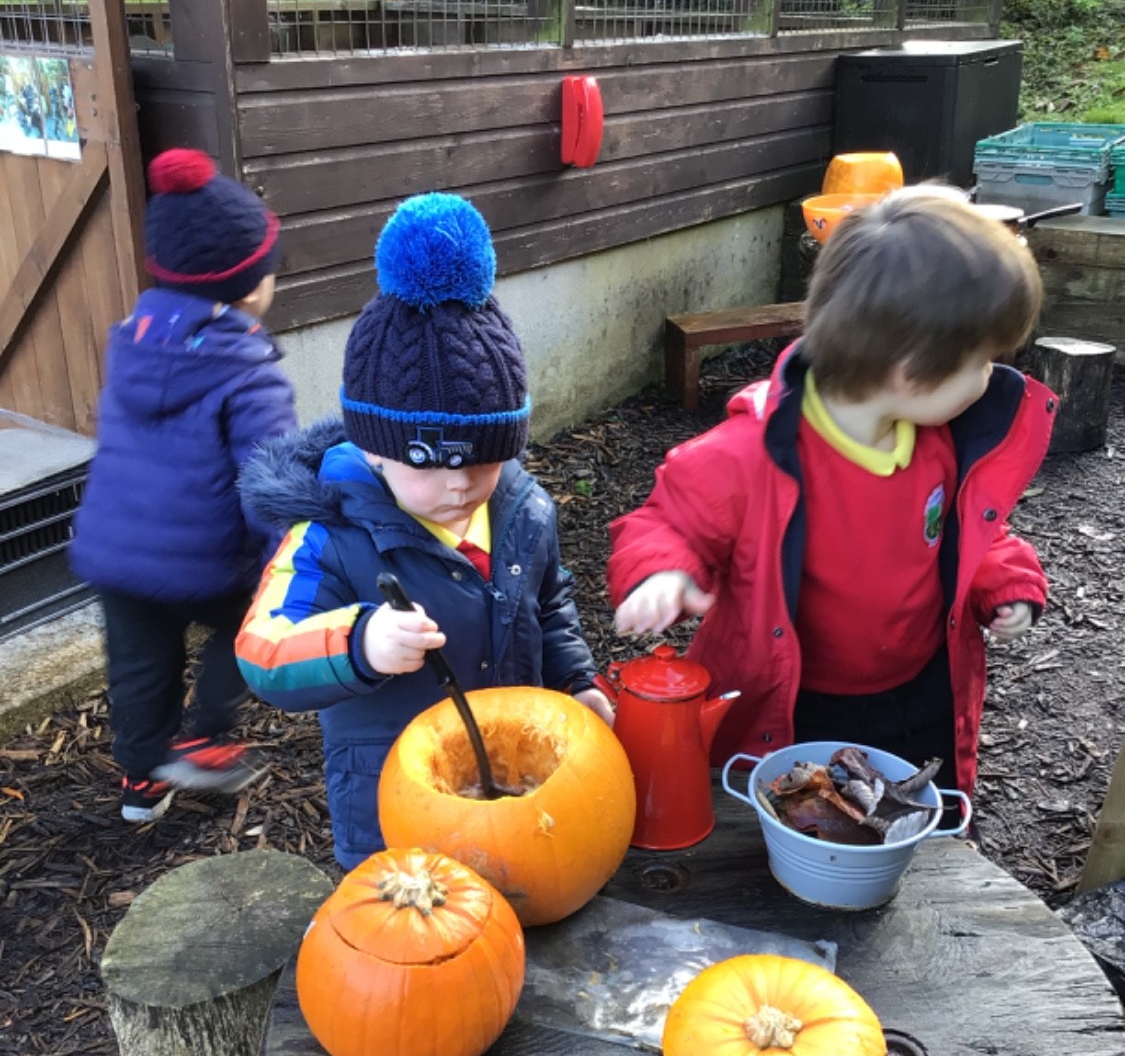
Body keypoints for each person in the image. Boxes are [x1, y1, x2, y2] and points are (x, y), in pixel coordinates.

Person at [609, 188, 1055, 805]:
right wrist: (663, 573)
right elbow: (668, 523)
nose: (991, 378)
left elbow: (975, 534)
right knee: (794, 813)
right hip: (793, 703)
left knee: (909, 810)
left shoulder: (938, 442)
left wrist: (1005, 583)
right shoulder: (751, 453)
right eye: (980, 362)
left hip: (917, 692)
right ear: (910, 370)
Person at [235, 192, 613, 870]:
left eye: (484, 460)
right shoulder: (330, 535)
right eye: (429, 465)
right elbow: (263, 653)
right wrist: (359, 643)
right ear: (374, 450)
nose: (459, 484)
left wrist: (576, 681)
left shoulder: (524, 512)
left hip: (518, 794)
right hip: (395, 809)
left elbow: (550, 605)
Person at [70, 148, 297, 823]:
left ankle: (142, 780)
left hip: (115, 553)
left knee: (139, 665)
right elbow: (267, 478)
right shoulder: (249, 370)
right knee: (247, 620)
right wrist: (283, 561)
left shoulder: (132, 344)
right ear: (248, 287)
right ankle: (206, 736)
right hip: (202, 558)